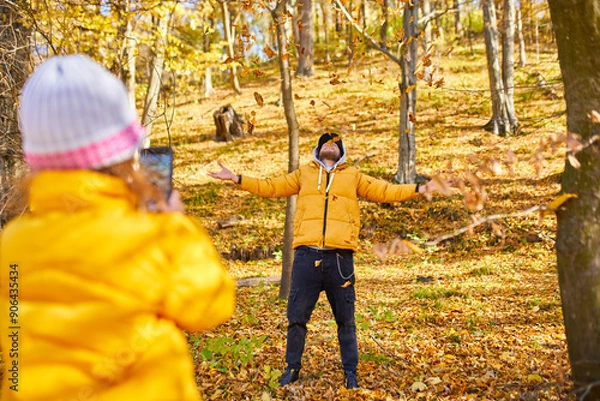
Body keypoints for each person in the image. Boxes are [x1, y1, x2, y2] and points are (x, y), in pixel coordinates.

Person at [0, 54, 235, 401]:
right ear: (124, 151)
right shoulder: (153, 235)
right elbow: (211, 305)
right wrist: (178, 226)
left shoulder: (12, 243)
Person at [209, 132, 441, 389]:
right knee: (296, 317)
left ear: (341, 151)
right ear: (318, 149)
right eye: (325, 142)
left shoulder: (353, 176)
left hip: (340, 258)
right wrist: (237, 178)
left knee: (346, 319)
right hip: (306, 256)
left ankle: (350, 373)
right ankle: (292, 369)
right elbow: (271, 187)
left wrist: (421, 188)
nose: (330, 145)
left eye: (335, 143)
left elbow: (385, 190)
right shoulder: (303, 174)